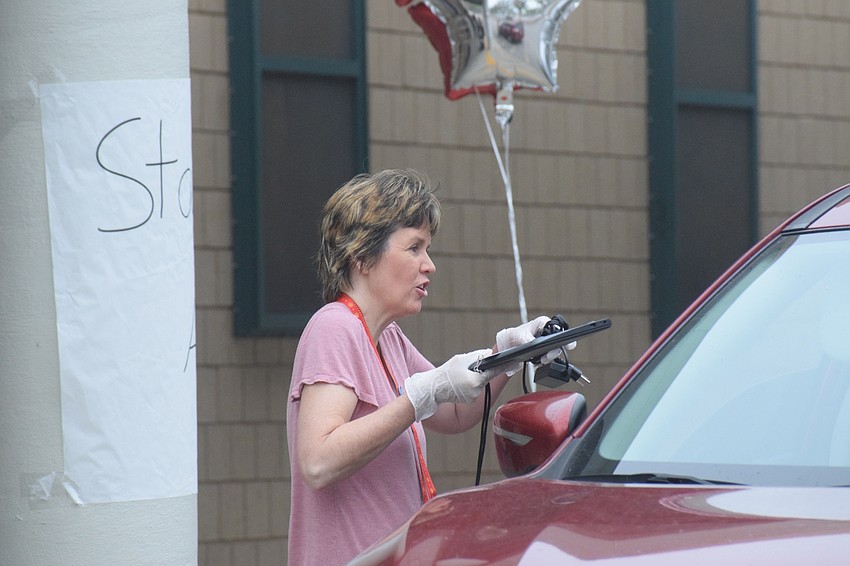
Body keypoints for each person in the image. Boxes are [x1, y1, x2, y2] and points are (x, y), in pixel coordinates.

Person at [286, 169, 560, 565]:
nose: (428, 265)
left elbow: (451, 411)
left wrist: (507, 355)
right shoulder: (335, 327)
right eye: (414, 248)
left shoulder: (387, 337)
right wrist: (419, 397)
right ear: (362, 255)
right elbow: (318, 461)